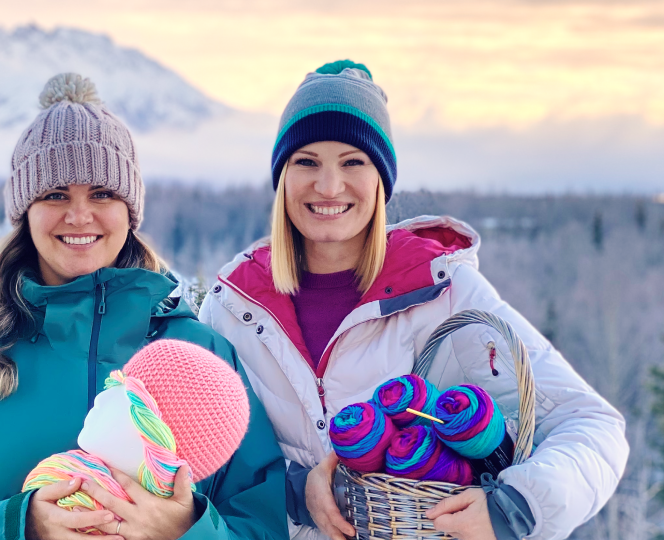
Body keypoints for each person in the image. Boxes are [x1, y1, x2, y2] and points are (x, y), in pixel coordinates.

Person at [198, 60, 628, 540]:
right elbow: (202, 457)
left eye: (353, 161)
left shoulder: (444, 294)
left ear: (381, 177)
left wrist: (514, 509)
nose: (328, 186)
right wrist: (298, 493)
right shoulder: (234, 306)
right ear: (282, 177)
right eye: (307, 161)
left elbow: (591, 425)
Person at [0, 73, 289, 540]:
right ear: (25, 212)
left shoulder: (198, 354)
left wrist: (186, 531)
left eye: (102, 194)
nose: (79, 216)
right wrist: (15, 529)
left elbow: (262, 525)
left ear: (130, 210)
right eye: (55, 194)